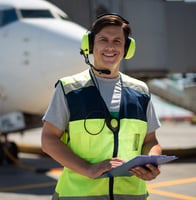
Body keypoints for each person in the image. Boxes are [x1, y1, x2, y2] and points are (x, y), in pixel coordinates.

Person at [41, 13, 162, 200]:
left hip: (132, 195)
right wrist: (87, 169)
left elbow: (150, 141)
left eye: (117, 41)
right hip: (78, 195)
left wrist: (152, 162)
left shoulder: (141, 91)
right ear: (90, 45)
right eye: (103, 40)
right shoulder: (69, 89)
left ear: (127, 48)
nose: (110, 47)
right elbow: (49, 140)